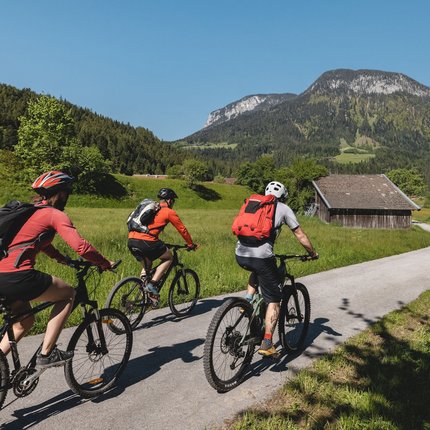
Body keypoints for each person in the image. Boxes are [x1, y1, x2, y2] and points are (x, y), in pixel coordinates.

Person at [0, 171, 114, 367]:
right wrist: (104, 262)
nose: (67, 196)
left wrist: (64, 260)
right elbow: (82, 247)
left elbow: (40, 243)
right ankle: (46, 354)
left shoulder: (31, 212)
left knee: (24, 322)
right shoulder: (55, 214)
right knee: (68, 294)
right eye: (66, 192)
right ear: (59, 193)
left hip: (3, 276)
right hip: (18, 276)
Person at [235, 181, 318, 357]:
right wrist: (312, 253)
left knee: (257, 269)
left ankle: (247, 301)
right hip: (262, 257)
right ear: (283, 196)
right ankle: (267, 342)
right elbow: (299, 234)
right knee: (274, 299)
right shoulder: (283, 208)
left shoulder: (254, 203)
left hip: (240, 254)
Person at [128, 188, 197, 304]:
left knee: (147, 266)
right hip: (147, 241)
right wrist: (190, 244)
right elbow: (182, 230)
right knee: (168, 257)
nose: (173, 203)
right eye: (173, 201)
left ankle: (141, 295)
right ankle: (152, 285)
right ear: (169, 200)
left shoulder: (153, 209)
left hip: (131, 240)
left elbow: (150, 227)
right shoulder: (169, 212)